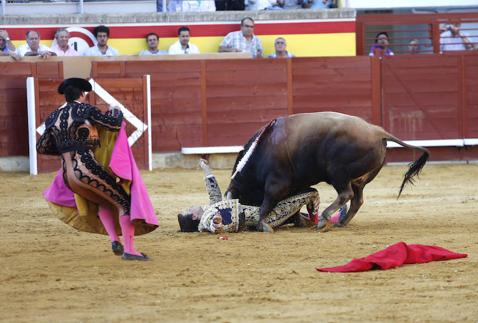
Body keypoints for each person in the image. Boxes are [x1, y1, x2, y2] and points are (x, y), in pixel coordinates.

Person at [37, 78, 157, 261]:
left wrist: (65, 147)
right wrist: (116, 111)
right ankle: (130, 250)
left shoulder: (53, 117)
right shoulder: (85, 110)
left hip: (68, 176)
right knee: (124, 202)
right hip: (87, 169)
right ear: (82, 94)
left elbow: (42, 147)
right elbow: (113, 123)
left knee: (104, 201)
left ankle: (115, 240)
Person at [177, 160, 346, 233]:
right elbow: (215, 226)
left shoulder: (209, 210)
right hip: (267, 217)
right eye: (189, 209)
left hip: (259, 213)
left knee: (293, 213)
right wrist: (216, 223)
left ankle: (321, 219)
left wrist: (206, 170)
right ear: (193, 216)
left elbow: (214, 194)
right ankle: (317, 220)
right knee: (311, 193)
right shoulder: (207, 219)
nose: (192, 206)